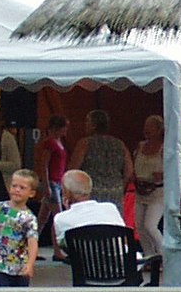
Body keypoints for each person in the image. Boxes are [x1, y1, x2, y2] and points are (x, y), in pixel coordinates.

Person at [0, 169, 40, 287]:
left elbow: (32, 242)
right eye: (14, 186)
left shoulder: (29, 218)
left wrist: (30, 265)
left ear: (31, 193)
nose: (17, 190)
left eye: (22, 188)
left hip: (20, 267)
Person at [51, 169, 127, 257]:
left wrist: (68, 210)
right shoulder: (110, 208)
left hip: (86, 268)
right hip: (122, 266)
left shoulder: (61, 218)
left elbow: (65, 251)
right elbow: (124, 239)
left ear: (66, 193)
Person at [68, 109, 133, 208]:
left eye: (87, 121)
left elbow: (73, 169)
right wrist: (120, 185)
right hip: (115, 191)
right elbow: (129, 171)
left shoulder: (85, 144)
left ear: (94, 125)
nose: (85, 124)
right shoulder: (120, 144)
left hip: (91, 192)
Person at [132, 115, 168, 263]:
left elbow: (172, 170)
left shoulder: (164, 148)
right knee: (139, 226)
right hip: (141, 189)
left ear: (159, 129)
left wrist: (162, 175)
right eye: (146, 126)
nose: (147, 130)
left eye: (151, 126)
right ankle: (149, 256)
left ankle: (164, 255)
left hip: (157, 192)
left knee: (150, 225)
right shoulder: (140, 146)